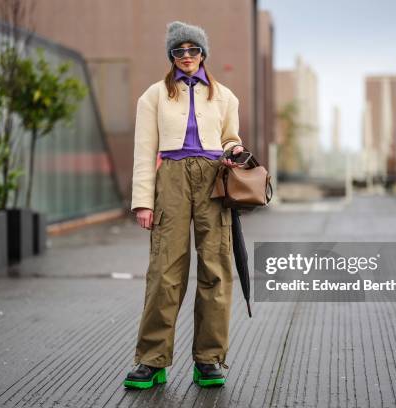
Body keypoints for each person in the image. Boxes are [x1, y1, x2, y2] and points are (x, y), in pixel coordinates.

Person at [123, 20, 244, 389]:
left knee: (216, 269)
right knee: (164, 270)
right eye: (179, 51)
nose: (187, 57)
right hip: (171, 177)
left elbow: (230, 138)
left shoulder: (225, 96)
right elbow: (144, 152)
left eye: (193, 50)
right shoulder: (154, 96)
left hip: (213, 179)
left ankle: (208, 360)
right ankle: (152, 360)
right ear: (171, 57)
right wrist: (143, 202)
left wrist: (234, 150)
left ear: (203, 52)